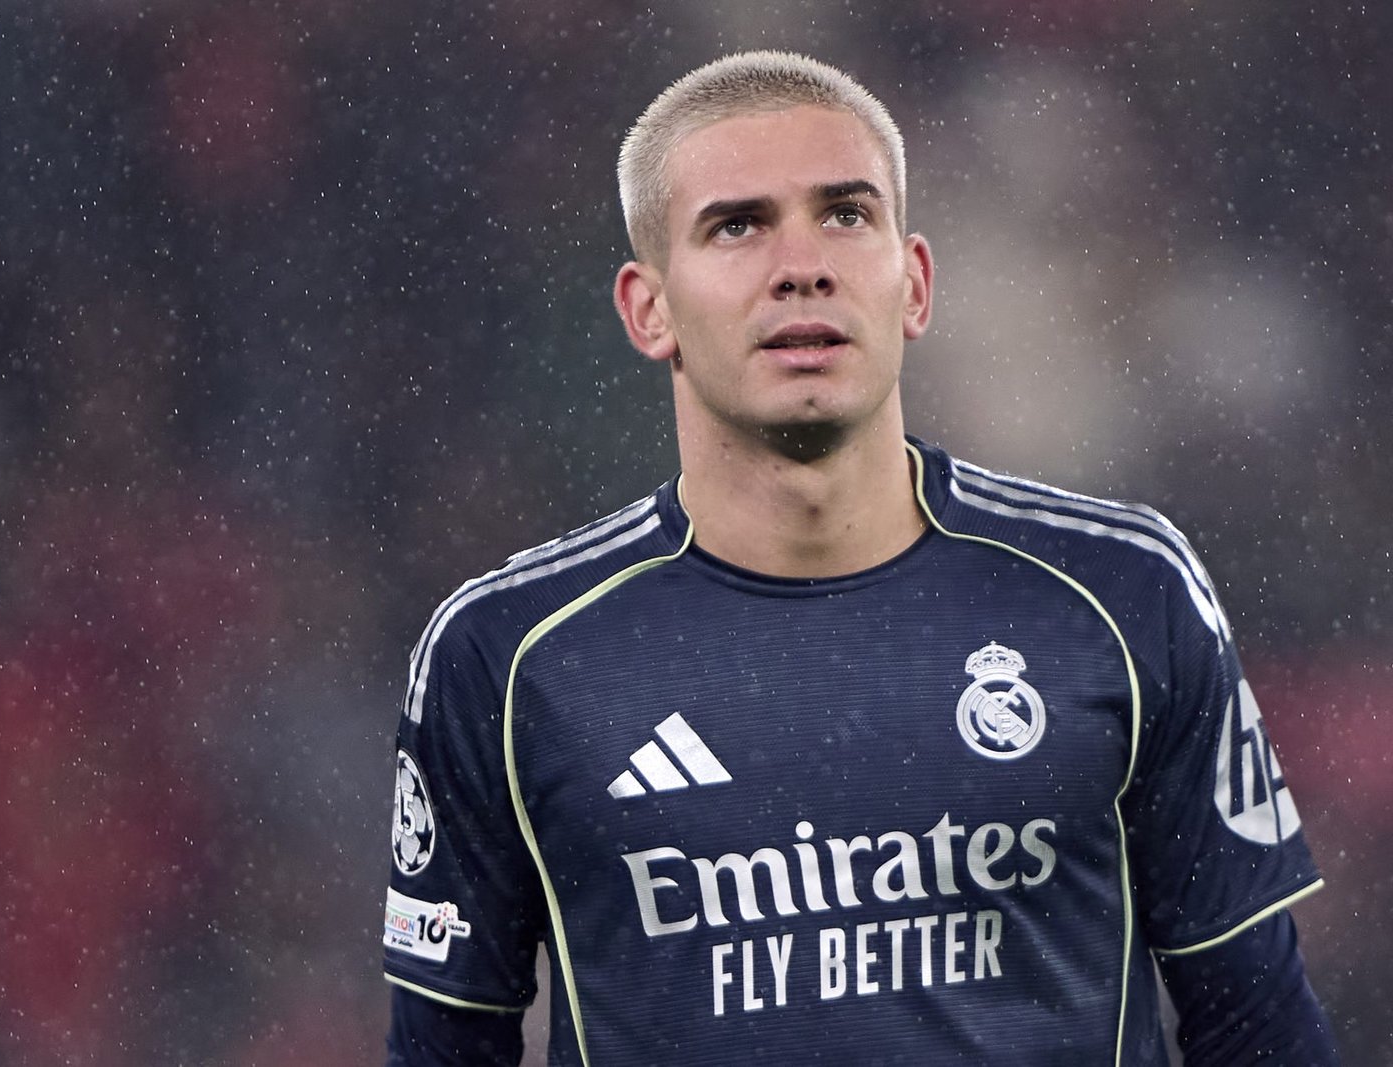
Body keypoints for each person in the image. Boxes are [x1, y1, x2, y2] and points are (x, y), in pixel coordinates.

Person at [381, 51, 1337, 1065]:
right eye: (737, 225)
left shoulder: (1122, 591)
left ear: (913, 282)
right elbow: (444, 1049)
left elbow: (1259, 1025)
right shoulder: (509, 655)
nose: (801, 264)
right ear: (647, 309)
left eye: (844, 214)